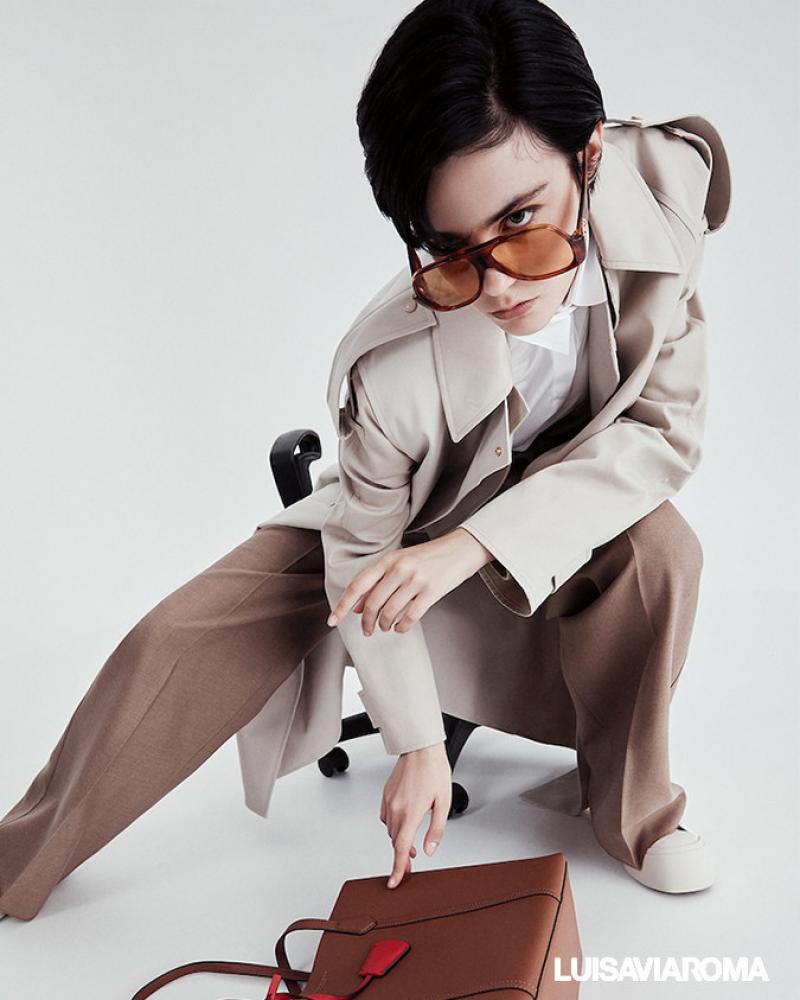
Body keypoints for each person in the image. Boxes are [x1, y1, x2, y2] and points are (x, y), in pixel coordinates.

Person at [0, 0, 730, 922]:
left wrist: (479, 546)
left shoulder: (663, 196)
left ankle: (637, 815)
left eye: (522, 220)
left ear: (588, 156)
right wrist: (417, 743)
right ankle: (15, 861)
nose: (498, 285)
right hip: (404, 527)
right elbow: (362, 553)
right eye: (452, 250)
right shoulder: (392, 363)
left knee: (663, 549)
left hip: (560, 520)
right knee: (178, 639)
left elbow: (661, 434)